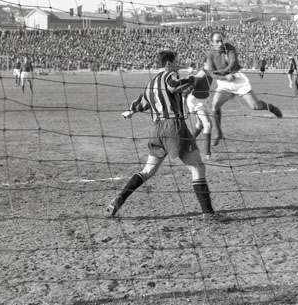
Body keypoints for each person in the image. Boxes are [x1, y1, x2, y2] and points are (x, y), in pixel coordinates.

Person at [106, 50, 222, 222]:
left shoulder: (150, 84)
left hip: (156, 130)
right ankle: (209, 214)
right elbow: (174, 85)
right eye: (176, 61)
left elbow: (140, 102)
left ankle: (118, 200)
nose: (178, 64)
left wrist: (131, 111)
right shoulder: (170, 75)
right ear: (168, 63)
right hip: (173, 127)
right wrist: (193, 78)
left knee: (147, 171)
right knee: (198, 167)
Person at [205, 31, 282, 146]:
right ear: (212, 43)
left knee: (255, 106)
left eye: (221, 40)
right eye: (217, 41)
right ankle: (219, 133)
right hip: (224, 82)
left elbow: (233, 63)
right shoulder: (210, 54)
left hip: (237, 78)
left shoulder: (230, 48)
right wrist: (224, 76)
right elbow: (211, 73)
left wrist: (222, 72)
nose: (220, 43)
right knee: (215, 106)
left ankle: (270, 107)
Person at [186, 65, 214, 159]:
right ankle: (207, 153)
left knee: (200, 124)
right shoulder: (201, 75)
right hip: (197, 101)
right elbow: (187, 89)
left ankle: (188, 142)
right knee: (208, 124)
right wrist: (184, 106)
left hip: (204, 100)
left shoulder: (210, 74)